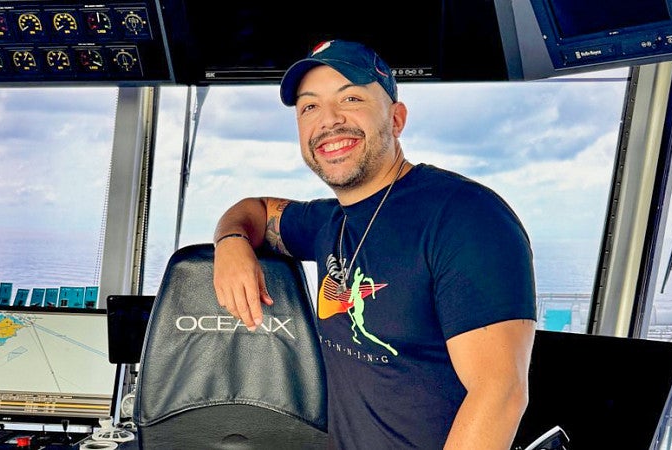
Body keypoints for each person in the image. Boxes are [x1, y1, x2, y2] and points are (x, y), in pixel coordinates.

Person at [212, 39, 537, 449]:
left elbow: (501, 394)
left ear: (396, 118)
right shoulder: (329, 222)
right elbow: (255, 209)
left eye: (350, 98)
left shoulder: (466, 216)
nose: (328, 120)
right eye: (309, 106)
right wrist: (232, 242)